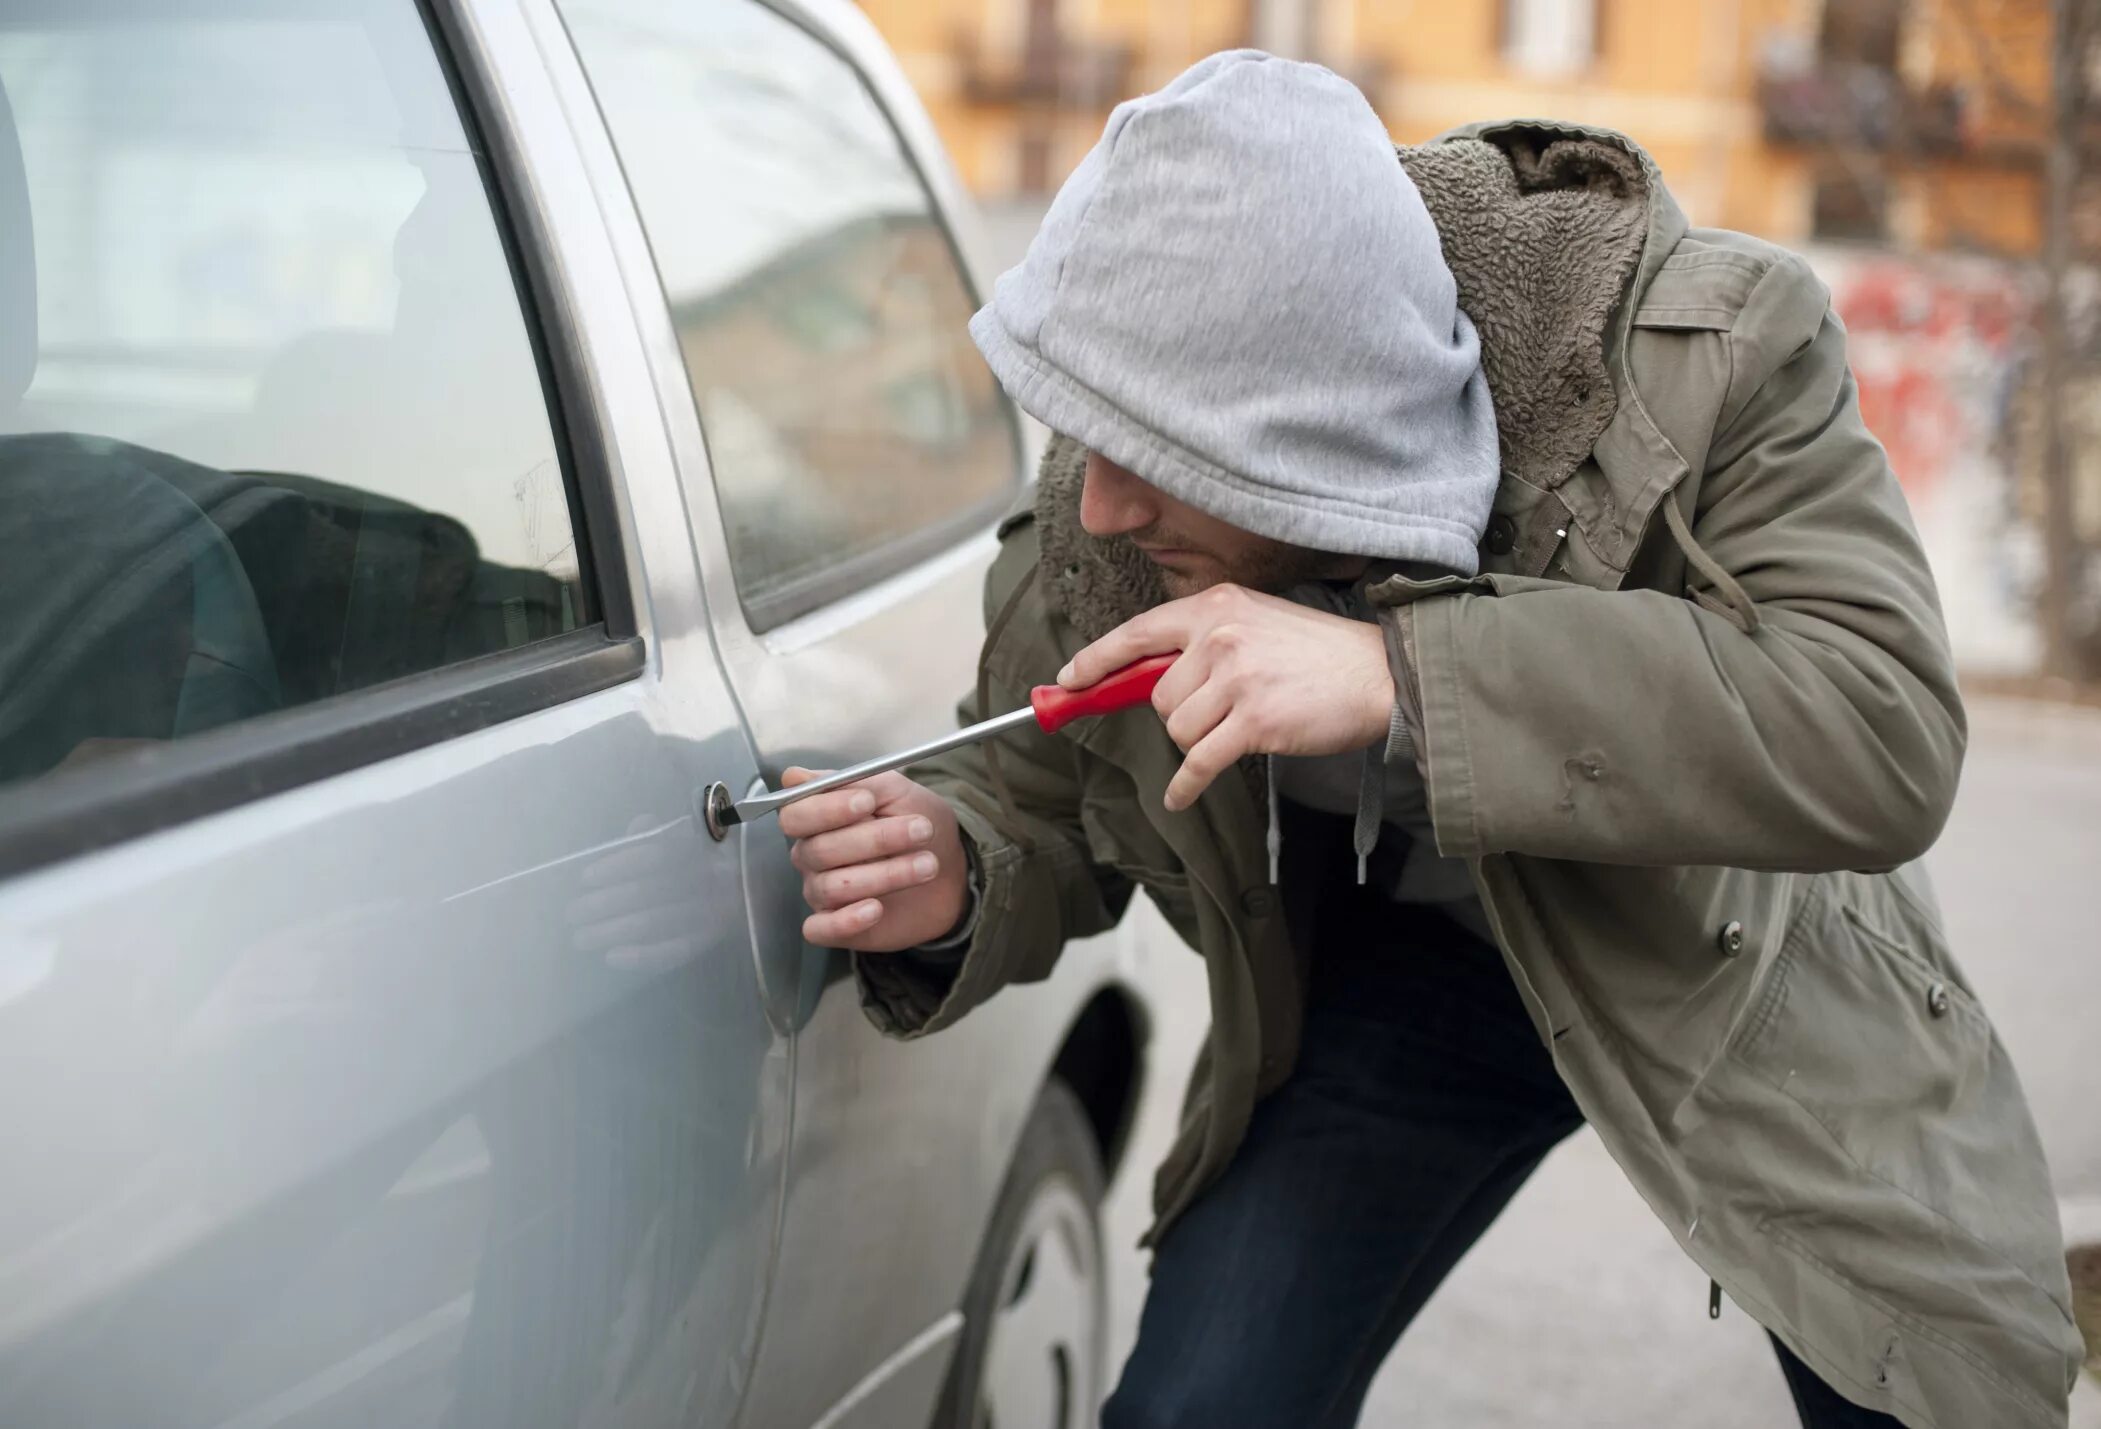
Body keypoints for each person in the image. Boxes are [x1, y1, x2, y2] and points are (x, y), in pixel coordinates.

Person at [780, 51, 2083, 1429]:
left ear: (1306, 428)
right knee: (1200, 1405)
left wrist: (1396, 671)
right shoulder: (1108, 523)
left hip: (1736, 954)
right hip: (1424, 985)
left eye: (1151, 453)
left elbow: (1876, 722)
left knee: (1929, 1401)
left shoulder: (1711, 353)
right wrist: (956, 863)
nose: (1098, 506)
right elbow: (1042, 787)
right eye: (1085, 432)